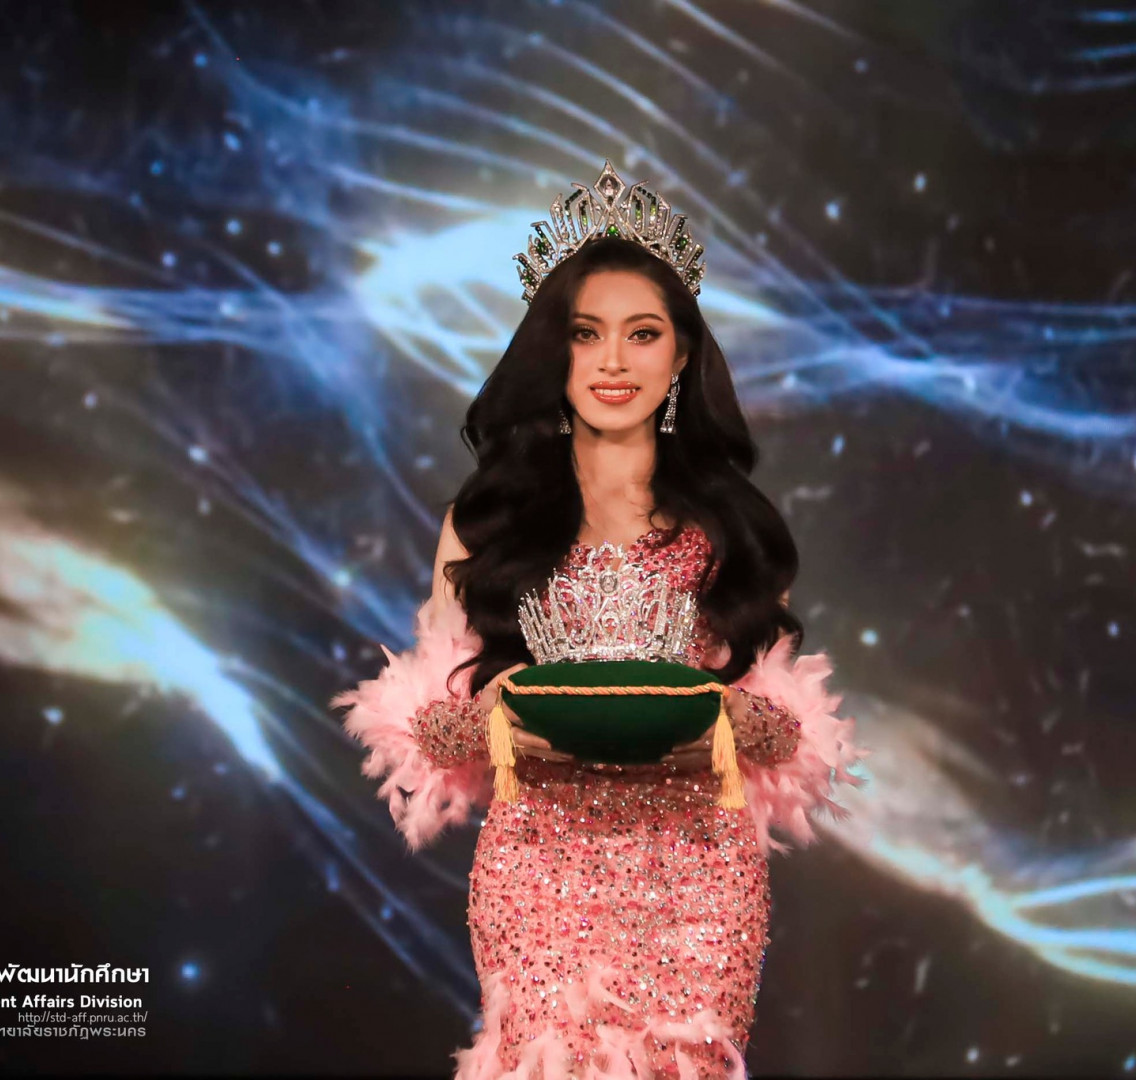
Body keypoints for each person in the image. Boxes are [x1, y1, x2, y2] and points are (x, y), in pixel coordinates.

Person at [332, 162, 867, 1080]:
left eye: (642, 334)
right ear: (554, 353)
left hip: (698, 879)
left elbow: (787, 734)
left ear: (681, 356)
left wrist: (721, 713)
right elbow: (428, 728)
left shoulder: (729, 527)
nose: (613, 362)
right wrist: (495, 709)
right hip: (539, 875)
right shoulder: (488, 523)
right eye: (585, 335)